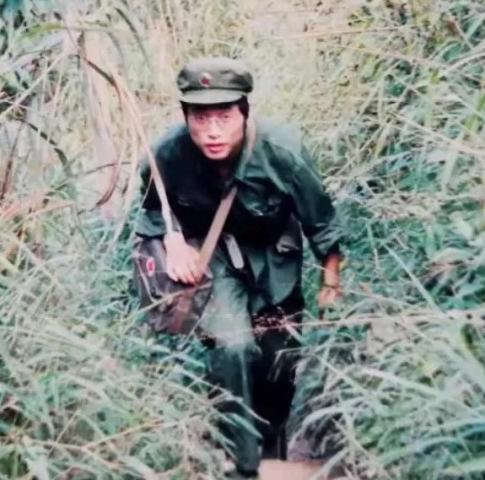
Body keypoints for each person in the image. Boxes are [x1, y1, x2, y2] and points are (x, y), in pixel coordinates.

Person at [131, 56, 346, 478]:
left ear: (244, 113)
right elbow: (153, 210)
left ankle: (273, 447)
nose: (212, 131)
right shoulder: (166, 154)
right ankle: (241, 466)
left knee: (279, 361)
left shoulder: (282, 150)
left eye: (224, 117)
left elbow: (321, 220)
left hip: (275, 261)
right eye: (200, 118)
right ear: (185, 116)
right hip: (213, 263)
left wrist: (331, 280)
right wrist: (173, 242)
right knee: (232, 348)